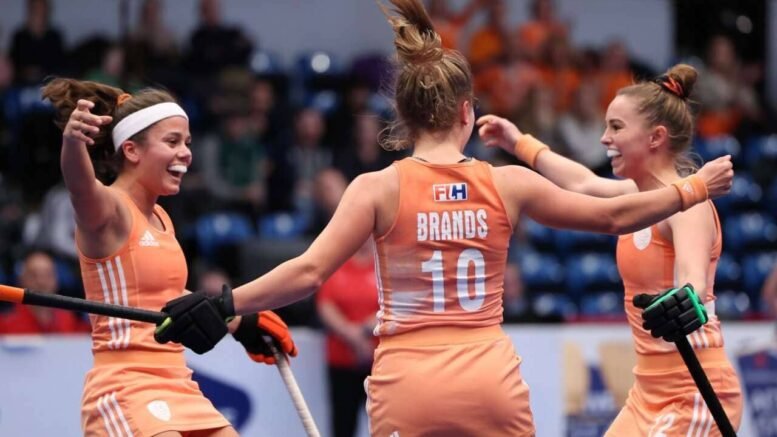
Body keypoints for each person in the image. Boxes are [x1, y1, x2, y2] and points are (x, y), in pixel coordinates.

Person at [153, 1, 734, 435]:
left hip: (407, 385)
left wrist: (224, 303)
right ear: (466, 112)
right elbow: (611, 213)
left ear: (402, 115)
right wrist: (693, 187)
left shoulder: (376, 187)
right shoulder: (505, 182)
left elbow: (306, 273)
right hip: (490, 385)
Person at [478, 63, 743, 434]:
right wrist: (518, 141)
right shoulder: (640, 197)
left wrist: (686, 299)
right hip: (647, 392)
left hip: (693, 390)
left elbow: (693, 281)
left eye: (616, 127)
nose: (604, 138)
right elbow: (582, 183)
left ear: (655, 137)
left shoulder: (690, 205)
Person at [40, 78, 297, 436]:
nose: (186, 153)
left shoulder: (162, 218)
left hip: (177, 380)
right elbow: (78, 184)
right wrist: (72, 143)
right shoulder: (108, 210)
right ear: (131, 151)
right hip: (124, 386)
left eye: (187, 143)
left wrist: (238, 322)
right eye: (173, 141)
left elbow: (168, 300)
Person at [316, 239, 379, 437]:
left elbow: (392, 306)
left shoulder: (383, 265)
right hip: (341, 360)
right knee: (342, 423)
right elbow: (325, 305)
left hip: (378, 362)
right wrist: (352, 334)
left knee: (383, 423)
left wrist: (365, 329)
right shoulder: (335, 264)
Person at [0, 250, 90, 334]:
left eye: (48, 275)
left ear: (56, 280)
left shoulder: (68, 319)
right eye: (33, 275)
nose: (41, 282)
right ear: (21, 279)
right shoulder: (5, 322)